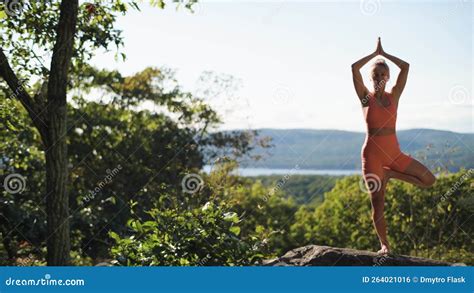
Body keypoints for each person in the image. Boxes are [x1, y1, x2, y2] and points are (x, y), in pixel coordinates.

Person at [351, 37, 436, 255]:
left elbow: (406, 67)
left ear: (387, 77)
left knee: (429, 180)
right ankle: (384, 244)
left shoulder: (394, 96)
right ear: (371, 78)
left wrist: (384, 54)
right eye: (375, 74)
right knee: (377, 204)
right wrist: (373, 54)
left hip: (394, 154)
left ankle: (391, 174)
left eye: (382, 74)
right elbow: (354, 68)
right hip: (372, 157)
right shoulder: (365, 98)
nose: (379, 77)